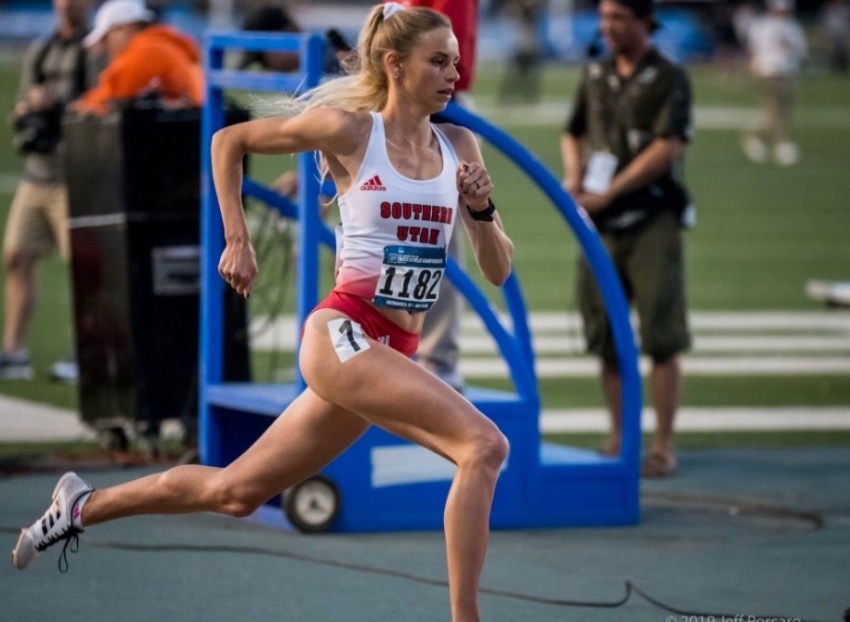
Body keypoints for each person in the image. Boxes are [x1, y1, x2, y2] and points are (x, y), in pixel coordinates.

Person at [13, 5, 515, 622]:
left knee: (237, 492)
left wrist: (483, 212)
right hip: (344, 336)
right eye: (438, 62)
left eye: (455, 63)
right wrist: (237, 237)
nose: (452, 75)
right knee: (483, 446)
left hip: (390, 352)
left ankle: (81, 506)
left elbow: (498, 270)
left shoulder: (458, 144)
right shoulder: (353, 132)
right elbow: (229, 141)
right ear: (394, 64)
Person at [560, 0, 693, 478]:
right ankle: (620, 435)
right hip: (599, 223)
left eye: (617, 17)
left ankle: (662, 444)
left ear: (644, 21)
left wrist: (609, 191)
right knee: (606, 335)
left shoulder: (670, 76)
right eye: (603, 17)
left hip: (651, 216)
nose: (607, 26)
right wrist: (575, 177)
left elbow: (666, 147)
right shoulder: (595, 74)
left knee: (661, 332)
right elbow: (573, 132)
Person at [388, 0, 480, 392]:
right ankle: (387, 350)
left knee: (435, 239)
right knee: (370, 227)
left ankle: (437, 360)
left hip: (429, 102)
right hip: (393, 94)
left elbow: (444, 45)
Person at [0, 0, 95, 381]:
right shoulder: (41, 49)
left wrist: (58, 105)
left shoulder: (94, 51)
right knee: (16, 256)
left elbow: (101, 105)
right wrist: (26, 110)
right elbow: (21, 104)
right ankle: (14, 351)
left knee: (87, 271)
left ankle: (84, 353)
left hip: (76, 177)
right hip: (36, 175)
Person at [73, 0, 204, 115]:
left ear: (127, 29)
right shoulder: (159, 44)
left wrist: (85, 104)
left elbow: (115, 93)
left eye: (106, 38)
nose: (106, 48)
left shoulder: (146, 49)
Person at [741, 0, 807, 167]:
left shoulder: (793, 26)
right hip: (768, 70)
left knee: (781, 109)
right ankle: (780, 143)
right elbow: (754, 47)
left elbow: (800, 49)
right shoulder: (762, 24)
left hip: (787, 71)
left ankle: (757, 137)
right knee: (774, 108)